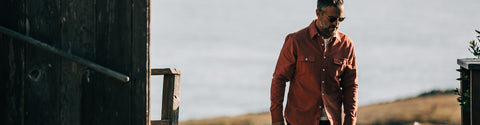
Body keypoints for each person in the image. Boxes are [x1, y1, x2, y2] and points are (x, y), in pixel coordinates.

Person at [270, 0, 358, 125]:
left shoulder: (346, 45)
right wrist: (277, 119)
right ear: (318, 13)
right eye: (332, 19)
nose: (336, 24)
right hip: (299, 121)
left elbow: (351, 86)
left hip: (331, 121)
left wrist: (350, 120)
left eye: (340, 19)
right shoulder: (296, 41)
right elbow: (279, 79)